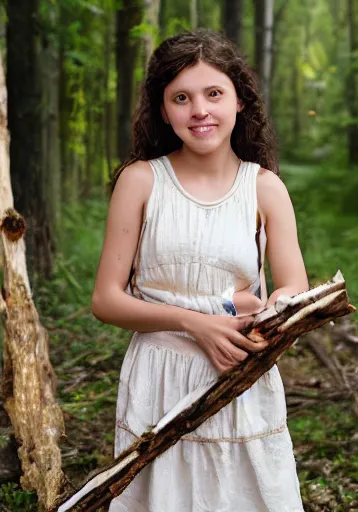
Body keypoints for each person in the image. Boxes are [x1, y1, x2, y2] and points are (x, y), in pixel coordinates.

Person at [92, 29, 308, 512]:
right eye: (181, 98)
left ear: (240, 101)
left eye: (214, 94)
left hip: (236, 372)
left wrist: (274, 307)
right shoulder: (141, 180)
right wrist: (193, 321)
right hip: (160, 373)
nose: (199, 110)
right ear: (163, 109)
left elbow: (295, 283)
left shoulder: (265, 187)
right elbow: (106, 299)